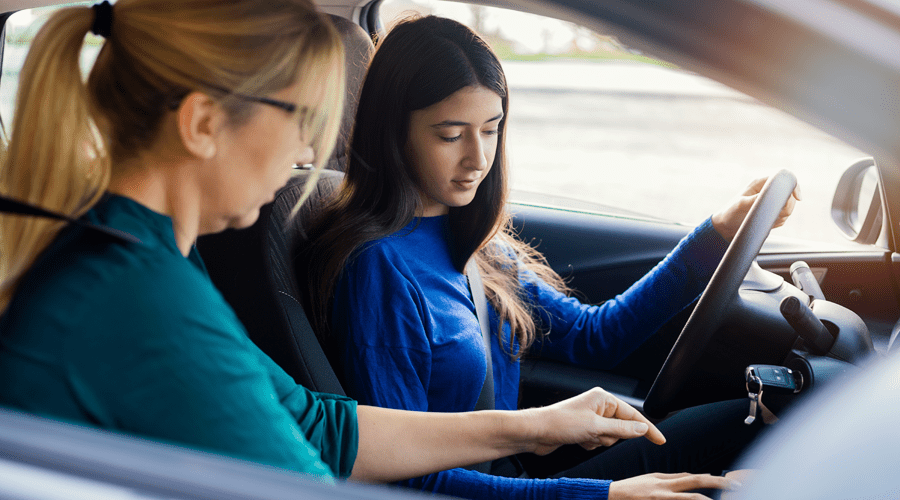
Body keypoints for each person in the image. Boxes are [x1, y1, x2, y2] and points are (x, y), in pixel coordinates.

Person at [0, 0, 683, 487]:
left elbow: (320, 429)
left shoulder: (145, 261)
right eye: (305, 119)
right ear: (205, 123)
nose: (309, 151)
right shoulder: (138, 297)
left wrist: (534, 427)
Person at [301, 15, 801, 499]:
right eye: (450, 135)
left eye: (492, 129)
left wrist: (719, 232)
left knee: (753, 418)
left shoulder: (474, 240)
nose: (478, 157)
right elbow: (404, 481)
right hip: (481, 489)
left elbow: (596, 336)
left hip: (513, 477)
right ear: (394, 133)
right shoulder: (379, 270)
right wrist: (601, 494)